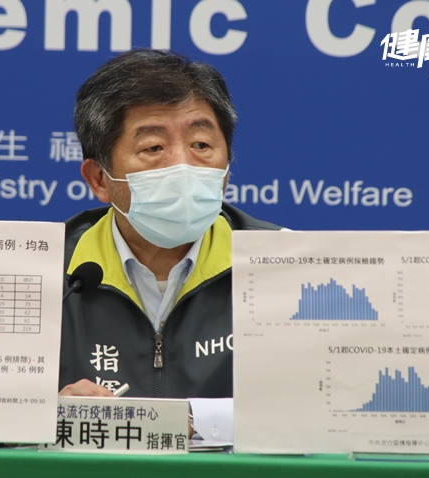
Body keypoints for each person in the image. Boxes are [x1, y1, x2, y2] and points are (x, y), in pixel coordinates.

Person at [59, 49, 280, 400]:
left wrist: (198, 420)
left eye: (200, 144)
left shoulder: (283, 266)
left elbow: (316, 407)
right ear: (100, 179)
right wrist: (48, 414)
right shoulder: (45, 273)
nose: (183, 166)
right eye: (153, 147)